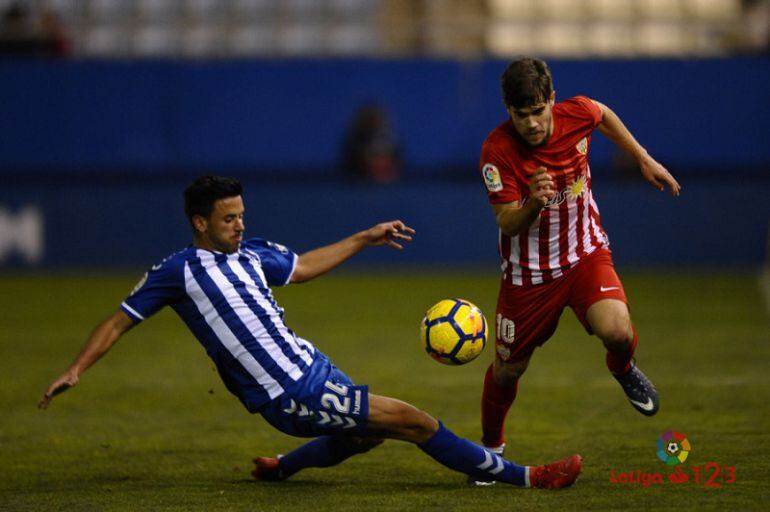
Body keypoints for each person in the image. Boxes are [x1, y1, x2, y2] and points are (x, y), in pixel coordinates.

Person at [39, 175, 581, 489]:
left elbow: (303, 265)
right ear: (200, 223)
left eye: (242, 214)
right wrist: (76, 368)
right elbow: (119, 319)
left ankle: (281, 468)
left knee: (364, 436)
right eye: (229, 219)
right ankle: (527, 477)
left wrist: (363, 238)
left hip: (310, 364)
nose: (241, 224)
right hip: (288, 394)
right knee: (414, 421)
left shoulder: (252, 255)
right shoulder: (177, 272)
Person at [475, 58, 681, 481]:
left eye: (537, 111)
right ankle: (490, 453)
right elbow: (506, 222)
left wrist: (642, 156)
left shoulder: (576, 113)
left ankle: (622, 368)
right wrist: (533, 201)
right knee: (508, 370)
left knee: (618, 332)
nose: (531, 124)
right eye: (520, 114)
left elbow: (602, 113)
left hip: (584, 253)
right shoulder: (496, 152)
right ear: (507, 111)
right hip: (528, 276)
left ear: (552, 100)